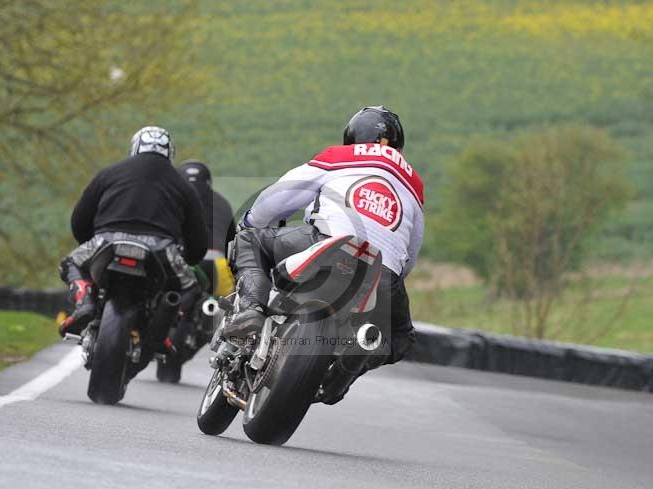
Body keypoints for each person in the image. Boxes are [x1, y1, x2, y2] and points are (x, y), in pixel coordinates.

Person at [224, 106, 424, 402]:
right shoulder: (414, 184)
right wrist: (391, 277)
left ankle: (251, 309)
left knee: (251, 241)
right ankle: (342, 374)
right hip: (384, 272)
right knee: (400, 336)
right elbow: (411, 251)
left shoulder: (338, 157)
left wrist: (251, 222)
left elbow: (279, 197)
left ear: (352, 136)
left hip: (327, 242)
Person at [58, 126, 208, 338]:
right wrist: (187, 257)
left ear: (135, 148)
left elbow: (79, 221)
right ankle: (162, 330)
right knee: (191, 287)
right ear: (170, 153)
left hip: (107, 241)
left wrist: (90, 243)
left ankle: (85, 301)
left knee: (70, 263)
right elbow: (198, 243)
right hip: (161, 249)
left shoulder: (108, 173)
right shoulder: (183, 186)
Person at [178, 160, 236, 296]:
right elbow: (232, 243)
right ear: (209, 181)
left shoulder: (175, 198)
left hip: (187, 265)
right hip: (219, 265)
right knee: (226, 313)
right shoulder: (222, 202)